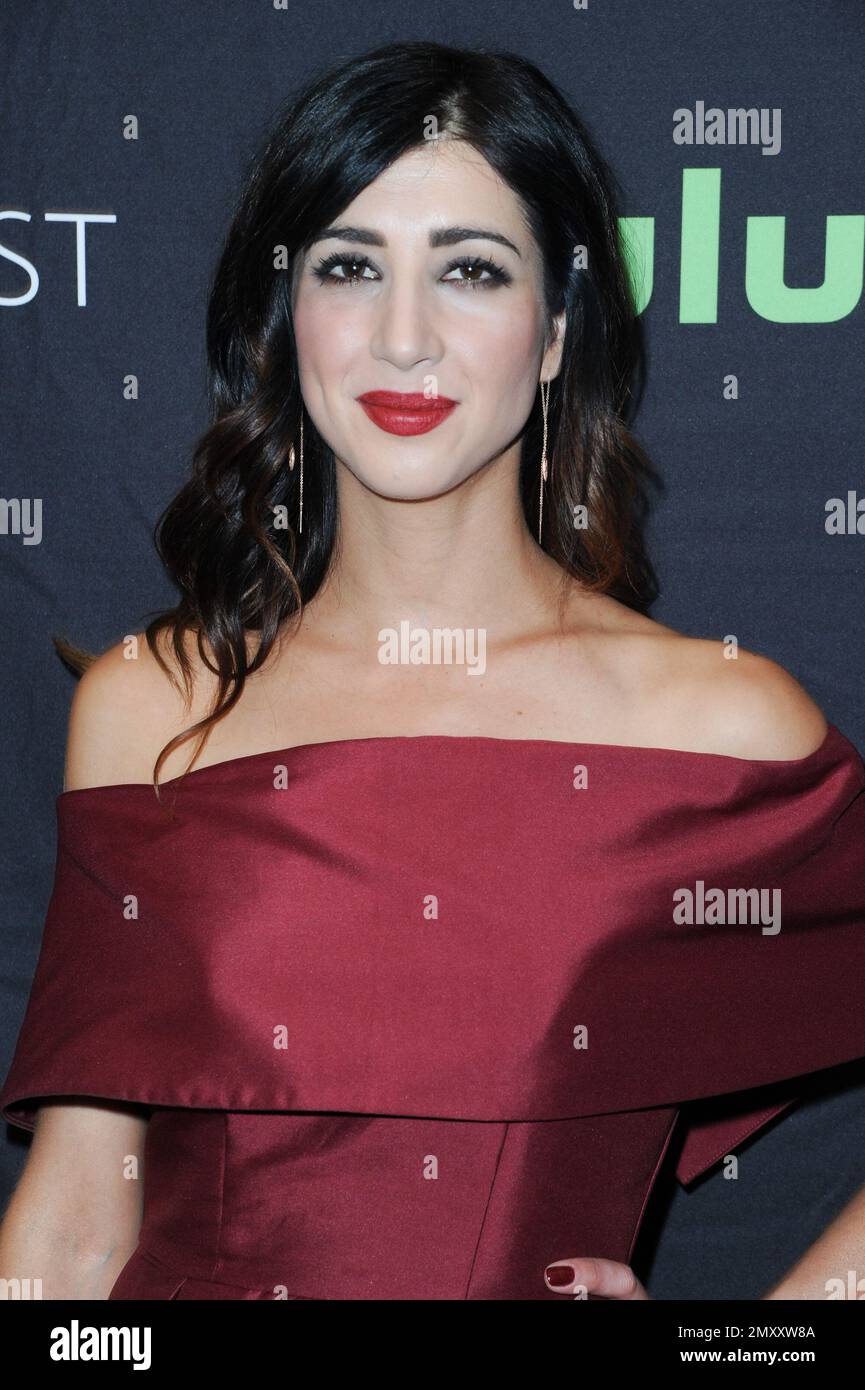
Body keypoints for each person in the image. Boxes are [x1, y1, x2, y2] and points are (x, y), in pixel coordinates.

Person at [1, 40, 863, 1302]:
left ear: (555, 332)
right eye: (350, 267)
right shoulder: (153, 706)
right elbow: (77, 1227)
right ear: (286, 316)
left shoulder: (711, 729)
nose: (404, 338)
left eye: (470, 270)